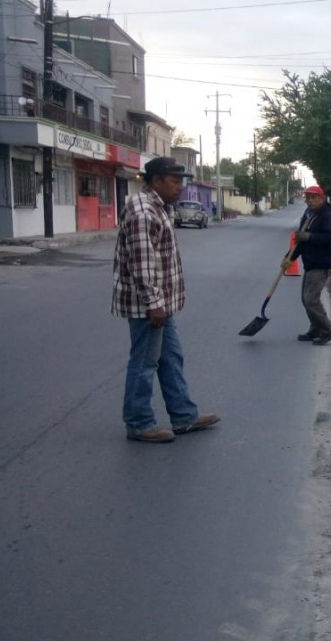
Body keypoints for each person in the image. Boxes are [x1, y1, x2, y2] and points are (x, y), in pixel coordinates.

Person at [112, 157, 219, 443]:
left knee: (171, 358)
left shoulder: (160, 207)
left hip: (162, 302)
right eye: (174, 181)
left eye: (181, 181)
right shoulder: (143, 210)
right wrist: (154, 303)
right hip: (149, 305)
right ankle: (139, 422)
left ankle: (183, 415)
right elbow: (143, 263)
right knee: (145, 362)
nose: (180, 188)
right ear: (156, 180)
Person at [282, 185, 331, 345]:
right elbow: (300, 242)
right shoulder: (308, 215)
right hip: (310, 263)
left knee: (311, 299)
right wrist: (289, 258)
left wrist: (309, 236)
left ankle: (329, 331)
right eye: (308, 198)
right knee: (305, 298)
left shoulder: (327, 216)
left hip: (321, 263)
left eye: (314, 197)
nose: (310, 200)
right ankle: (316, 328)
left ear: (322, 198)